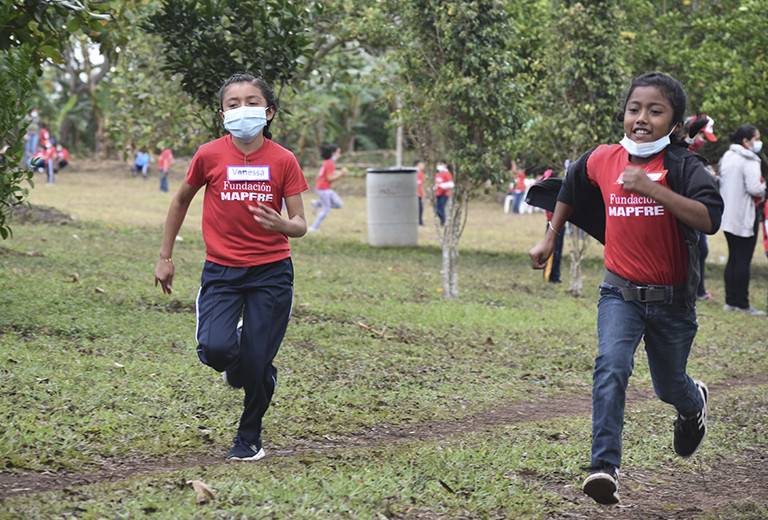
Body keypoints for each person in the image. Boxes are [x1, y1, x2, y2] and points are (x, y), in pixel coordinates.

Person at [529, 72, 723, 505]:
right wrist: (550, 236)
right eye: (635, 109)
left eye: (656, 111)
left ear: (674, 123)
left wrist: (653, 189)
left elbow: (710, 218)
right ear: (624, 113)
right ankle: (604, 467)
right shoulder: (604, 157)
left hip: (672, 300)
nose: (642, 118)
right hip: (619, 292)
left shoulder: (682, 166)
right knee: (611, 365)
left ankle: (693, 405)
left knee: (668, 386)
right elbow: (573, 186)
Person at [154, 73, 309, 461]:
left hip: (272, 273)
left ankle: (249, 437)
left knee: (257, 362)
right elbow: (180, 202)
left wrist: (282, 225)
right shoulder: (209, 154)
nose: (244, 110)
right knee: (217, 351)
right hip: (221, 271)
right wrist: (165, 257)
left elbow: (300, 224)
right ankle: (248, 363)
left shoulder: (283, 159)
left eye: (253, 102)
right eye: (234, 103)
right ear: (222, 113)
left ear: (269, 112)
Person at [718, 124, 766, 315]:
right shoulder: (750, 160)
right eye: (756, 139)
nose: (758, 142)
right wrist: (764, 189)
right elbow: (755, 188)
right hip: (745, 215)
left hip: (728, 215)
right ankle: (743, 304)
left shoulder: (728, 156)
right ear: (746, 141)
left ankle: (730, 302)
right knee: (743, 260)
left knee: (733, 258)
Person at [684, 114, 718, 301]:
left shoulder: (694, 154)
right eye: (702, 136)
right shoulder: (682, 151)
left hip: (698, 208)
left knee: (701, 250)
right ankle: (694, 291)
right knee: (695, 250)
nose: (704, 141)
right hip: (689, 210)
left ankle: (699, 290)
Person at [308, 144, 346, 232]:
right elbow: (330, 178)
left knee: (339, 204)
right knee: (326, 210)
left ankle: (317, 204)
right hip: (323, 189)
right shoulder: (330, 163)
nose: (339, 155)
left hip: (325, 189)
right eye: (338, 153)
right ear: (333, 153)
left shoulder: (328, 162)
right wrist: (341, 173)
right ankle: (313, 228)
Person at [434, 158, 454, 225]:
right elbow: (437, 183)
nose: (439, 166)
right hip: (438, 193)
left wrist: (441, 185)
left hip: (444, 193)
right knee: (437, 209)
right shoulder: (438, 173)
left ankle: (443, 222)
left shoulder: (447, 173)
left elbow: (451, 184)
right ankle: (443, 221)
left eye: (441, 164)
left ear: (445, 165)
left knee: (441, 208)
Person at [414, 159, 425, 226]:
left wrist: (423, 195)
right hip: (413, 195)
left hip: (419, 195)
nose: (423, 166)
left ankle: (420, 223)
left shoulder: (421, 173)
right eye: (421, 164)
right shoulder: (412, 173)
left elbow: (421, 185)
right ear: (417, 164)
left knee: (420, 209)